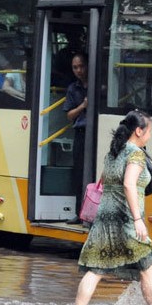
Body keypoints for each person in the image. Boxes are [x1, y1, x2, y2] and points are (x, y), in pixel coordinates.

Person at [74, 109, 152, 305]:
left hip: (104, 219)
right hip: (126, 220)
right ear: (139, 131)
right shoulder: (135, 154)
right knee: (148, 268)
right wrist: (137, 219)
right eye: (149, 131)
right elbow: (128, 185)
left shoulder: (113, 152)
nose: (150, 136)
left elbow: (105, 181)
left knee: (95, 270)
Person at [63, 52, 89, 224]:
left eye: (81, 66)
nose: (79, 70)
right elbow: (70, 115)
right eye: (75, 67)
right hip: (81, 133)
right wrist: (83, 105)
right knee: (79, 173)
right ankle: (79, 212)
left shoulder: (99, 84)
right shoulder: (73, 88)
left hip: (96, 132)